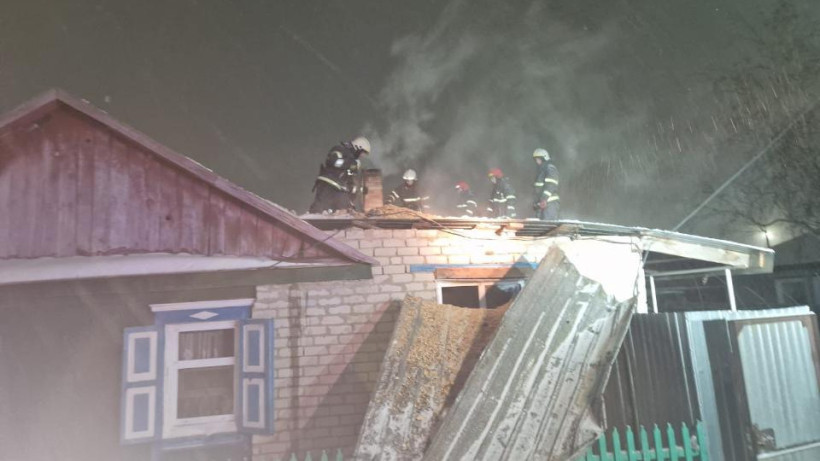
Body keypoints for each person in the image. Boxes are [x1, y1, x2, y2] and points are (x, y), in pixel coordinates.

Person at [309, 136, 371, 213]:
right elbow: (334, 162)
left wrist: (355, 190)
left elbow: (350, 177)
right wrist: (351, 163)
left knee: (346, 211)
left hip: (339, 188)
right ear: (358, 147)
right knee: (318, 210)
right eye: (362, 153)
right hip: (328, 183)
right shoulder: (340, 149)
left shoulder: (353, 160)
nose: (362, 156)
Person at [531, 148, 560, 220]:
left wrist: (544, 199)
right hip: (542, 204)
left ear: (544, 158)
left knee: (548, 224)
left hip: (550, 203)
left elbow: (551, 184)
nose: (537, 161)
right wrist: (536, 203)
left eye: (538, 159)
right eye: (536, 160)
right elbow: (538, 189)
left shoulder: (550, 168)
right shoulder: (542, 170)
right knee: (541, 225)